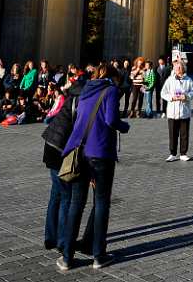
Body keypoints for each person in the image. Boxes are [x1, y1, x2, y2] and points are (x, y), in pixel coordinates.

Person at [58, 63, 129, 271]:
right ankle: (99, 255)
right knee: (101, 203)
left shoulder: (85, 90)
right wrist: (124, 126)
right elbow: (111, 120)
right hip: (100, 153)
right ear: (113, 77)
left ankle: (67, 257)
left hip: (79, 150)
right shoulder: (111, 91)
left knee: (76, 204)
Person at [41, 74, 84, 253]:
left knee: (55, 194)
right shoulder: (80, 103)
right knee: (66, 196)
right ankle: (62, 240)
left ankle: (49, 237)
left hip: (49, 145)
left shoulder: (69, 99)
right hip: (60, 150)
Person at [160, 59, 193, 161]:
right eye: (176, 67)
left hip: (184, 112)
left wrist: (186, 96)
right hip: (172, 112)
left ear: (183, 68)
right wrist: (171, 98)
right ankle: (172, 153)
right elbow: (163, 93)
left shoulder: (188, 80)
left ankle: (183, 153)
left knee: (184, 134)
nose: (178, 69)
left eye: (180, 67)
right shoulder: (170, 80)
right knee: (173, 134)